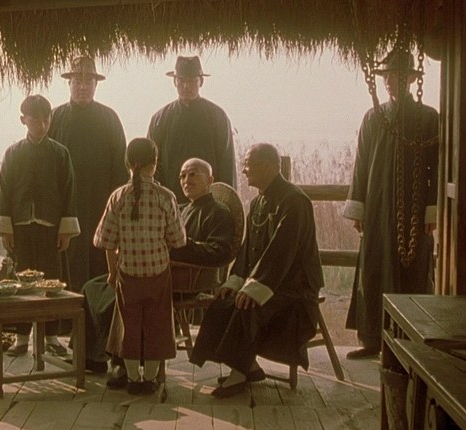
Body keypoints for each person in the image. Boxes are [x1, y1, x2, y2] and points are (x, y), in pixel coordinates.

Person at [190, 143, 324, 398]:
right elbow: (247, 251)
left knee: (247, 306)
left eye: (248, 164)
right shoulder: (258, 202)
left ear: (269, 166)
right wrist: (235, 281)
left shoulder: (294, 201)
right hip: (269, 280)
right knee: (222, 303)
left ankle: (239, 374)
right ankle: (249, 366)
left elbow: (282, 252)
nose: (243, 170)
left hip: (294, 285)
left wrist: (254, 288)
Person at [102, 157, 236, 388]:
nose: (186, 180)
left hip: (184, 279)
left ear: (210, 180)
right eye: (182, 175)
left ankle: (123, 364)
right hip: (159, 272)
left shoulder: (218, 212)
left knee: (117, 294)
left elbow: (220, 252)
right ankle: (104, 359)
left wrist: (181, 247)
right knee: (96, 288)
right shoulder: (182, 208)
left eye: (193, 174)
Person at [343, 50, 439, 359]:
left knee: (413, 270)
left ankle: (410, 342)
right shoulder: (373, 117)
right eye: (386, 76)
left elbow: (437, 168)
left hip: (414, 210)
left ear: (411, 78)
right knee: (374, 268)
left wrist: (432, 210)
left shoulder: (428, 118)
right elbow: (361, 165)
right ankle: (372, 338)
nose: (389, 81)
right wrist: (358, 208)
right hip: (376, 206)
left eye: (395, 75)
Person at [94, 137, 186, 395]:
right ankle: (151, 379)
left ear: (127, 163)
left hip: (128, 274)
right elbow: (178, 240)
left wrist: (113, 272)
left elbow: (105, 241)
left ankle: (134, 380)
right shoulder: (165, 197)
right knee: (157, 325)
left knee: (129, 326)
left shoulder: (118, 197)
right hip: (158, 273)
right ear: (154, 163)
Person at [0, 94, 80, 356]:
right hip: (20, 227)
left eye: (45, 120)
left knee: (51, 282)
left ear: (50, 119)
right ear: (23, 120)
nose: (41, 125)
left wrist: (65, 229)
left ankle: (51, 336)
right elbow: (3, 191)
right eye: (34, 120)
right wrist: (6, 229)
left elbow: (69, 191)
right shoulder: (13, 153)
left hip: (51, 228)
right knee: (21, 282)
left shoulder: (60, 153)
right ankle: (21, 338)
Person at [48, 55, 127, 292]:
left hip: (100, 205)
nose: (82, 87)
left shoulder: (109, 118)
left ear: (96, 85)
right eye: (77, 81)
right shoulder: (54, 118)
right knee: (66, 264)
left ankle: (98, 312)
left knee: (99, 262)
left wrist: (116, 208)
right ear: (69, 83)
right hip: (64, 207)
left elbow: (120, 168)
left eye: (88, 82)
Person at [148, 55, 236, 200]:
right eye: (181, 81)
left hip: (209, 203)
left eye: (191, 81)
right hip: (170, 200)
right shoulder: (160, 119)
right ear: (174, 82)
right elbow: (151, 164)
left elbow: (226, 163)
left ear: (201, 81)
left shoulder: (217, 117)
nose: (186, 86)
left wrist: (226, 201)